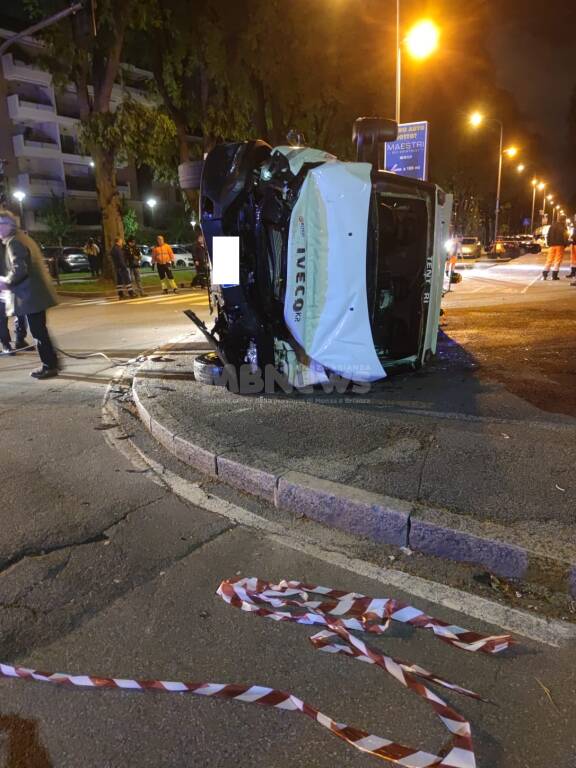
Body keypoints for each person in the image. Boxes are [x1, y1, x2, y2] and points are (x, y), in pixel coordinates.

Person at [0, 210, 59, 379]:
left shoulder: (14, 242)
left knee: (38, 332)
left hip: (31, 295)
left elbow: (20, 270)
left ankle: (49, 366)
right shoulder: (23, 237)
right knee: (40, 331)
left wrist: (5, 282)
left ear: (6, 226)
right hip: (36, 294)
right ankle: (52, 363)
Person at [543, 216, 568, 280]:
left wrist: (549, 243)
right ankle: (554, 276)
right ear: (564, 220)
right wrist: (565, 244)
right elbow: (565, 236)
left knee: (549, 259)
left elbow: (548, 235)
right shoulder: (563, 227)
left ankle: (545, 275)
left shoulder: (552, 226)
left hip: (552, 245)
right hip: (560, 245)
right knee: (557, 260)